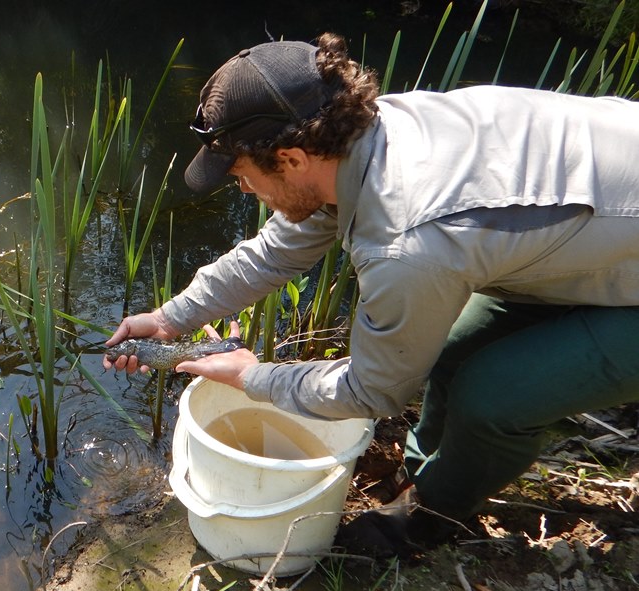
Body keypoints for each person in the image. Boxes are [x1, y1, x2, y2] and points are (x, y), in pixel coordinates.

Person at [104, 33, 639, 557]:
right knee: (453, 352)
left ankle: (426, 520)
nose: (243, 190)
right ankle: (422, 470)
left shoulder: (408, 241)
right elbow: (273, 253)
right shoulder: (363, 134)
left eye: (242, 175)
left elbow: (373, 390)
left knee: (493, 397)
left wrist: (251, 376)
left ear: (289, 158)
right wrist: (170, 319)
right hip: (592, 238)